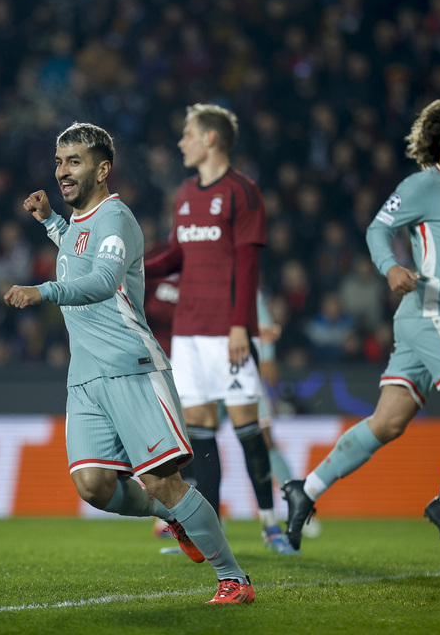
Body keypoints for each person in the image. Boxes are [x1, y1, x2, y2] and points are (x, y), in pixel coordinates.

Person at [3, 122, 254, 604]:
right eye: (58, 162)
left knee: (163, 480)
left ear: (103, 170)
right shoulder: (79, 222)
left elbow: (100, 279)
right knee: (93, 485)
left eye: (73, 161)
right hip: (85, 378)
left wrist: (43, 290)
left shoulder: (116, 218)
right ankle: (173, 517)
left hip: (131, 367)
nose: (62, 172)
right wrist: (50, 221)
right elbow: (78, 254)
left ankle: (234, 577)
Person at [283, 96, 440, 556]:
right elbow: (377, 229)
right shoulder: (422, 185)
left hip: (425, 319)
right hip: (431, 309)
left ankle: (306, 489)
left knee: (388, 422)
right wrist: (390, 267)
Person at [144, 104, 293, 554]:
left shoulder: (242, 193)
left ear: (210, 138)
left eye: (187, 133)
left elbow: (248, 267)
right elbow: (176, 255)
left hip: (225, 333)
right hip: (188, 335)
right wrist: (134, 270)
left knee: (250, 432)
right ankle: (212, 534)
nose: (181, 142)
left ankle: (271, 527)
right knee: (201, 436)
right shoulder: (185, 194)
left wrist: (239, 328)